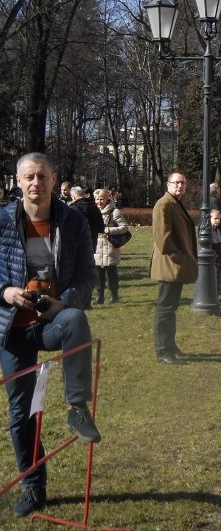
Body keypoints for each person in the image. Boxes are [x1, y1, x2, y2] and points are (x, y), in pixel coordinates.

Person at [0, 153, 101, 518]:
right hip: (14, 326)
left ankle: (77, 408)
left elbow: (88, 276)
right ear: (18, 182)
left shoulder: (73, 221)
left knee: (76, 319)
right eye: (28, 176)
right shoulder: (2, 221)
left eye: (42, 176)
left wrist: (61, 302)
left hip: (53, 320)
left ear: (53, 179)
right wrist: (6, 293)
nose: (35, 183)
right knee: (19, 413)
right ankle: (33, 484)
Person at [150, 173, 198, 365]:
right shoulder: (164, 204)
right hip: (169, 264)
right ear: (168, 184)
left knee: (171, 307)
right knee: (165, 308)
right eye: (176, 182)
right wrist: (177, 255)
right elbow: (163, 237)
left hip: (174, 264)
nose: (180, 186)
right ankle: (163, 350)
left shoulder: (174, 203)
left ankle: (170, 346)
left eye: (183, 183)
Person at [69, 186, 104, 310]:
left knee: (75, 274)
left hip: (75, 246)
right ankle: (87, 302)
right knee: (87, 273)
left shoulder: (72, 209)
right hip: (91, 245)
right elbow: (101, 228)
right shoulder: (94, 208)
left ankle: (77, 300)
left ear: (73, 197)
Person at [93, 188, 129, 304]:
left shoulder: (115, 212)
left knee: (110, 271)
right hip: (98, 245)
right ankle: (100, 296)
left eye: (101, 199)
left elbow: (124, 227)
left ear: (107, 198)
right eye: (97, 199)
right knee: (98, 272)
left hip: (110, 245)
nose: (99, 201)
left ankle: (114, 295)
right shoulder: (94, 211)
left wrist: (109, 230)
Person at [210, 209, 221, 297]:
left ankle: (217, 297)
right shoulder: (208, 231)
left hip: (219, 260)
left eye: (219, 219)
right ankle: (213, 298)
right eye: (215, 218)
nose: (217, 220)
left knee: (220, 282)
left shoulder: (218, 230)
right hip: (213, 261)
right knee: (214, 282)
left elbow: (220, 246)